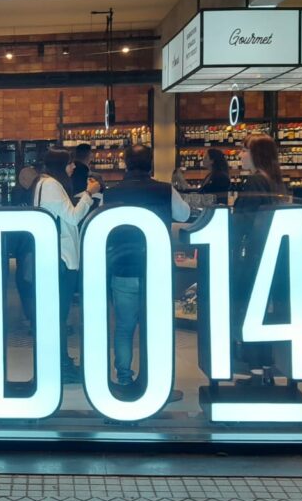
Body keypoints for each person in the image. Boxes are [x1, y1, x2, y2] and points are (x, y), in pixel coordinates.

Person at [103, 145, 190, 399]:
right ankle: (159, 384)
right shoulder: (165, 190)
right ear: (150, 163)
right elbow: (184, 214)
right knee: (157, 327)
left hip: (123, 268)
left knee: (124, 327)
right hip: (156, 270)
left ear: (125, 163)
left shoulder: (111, 194)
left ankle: (124, 378)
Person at [34, 149, 101, 383]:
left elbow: (63, 211)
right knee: (59, 316)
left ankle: (61, 362)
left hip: (56, 257)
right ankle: (61, 366)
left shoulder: (45, 183)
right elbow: (72, 217)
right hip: (61, 258)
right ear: (60, 165)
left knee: (57, 315)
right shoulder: (51, 185)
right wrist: (89, 195)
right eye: (70, 163)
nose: (73, 167)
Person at [232, 135, 288, 379]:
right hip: (270, 256)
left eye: (244, 150)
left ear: (257, 154)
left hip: (253, 257)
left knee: (249, 310)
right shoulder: (275, 181)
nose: (240, 155)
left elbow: (243, 221)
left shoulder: (255, 181)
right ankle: (265, 368)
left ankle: (254, 368)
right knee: (263, 312)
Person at [11, 166, 40, 329]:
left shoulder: (17, 194)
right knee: (29, 281)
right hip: (29, 246)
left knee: (25, 280)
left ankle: (31, 317)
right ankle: (34, 319)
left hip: (22, 246)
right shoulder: (29, 194)